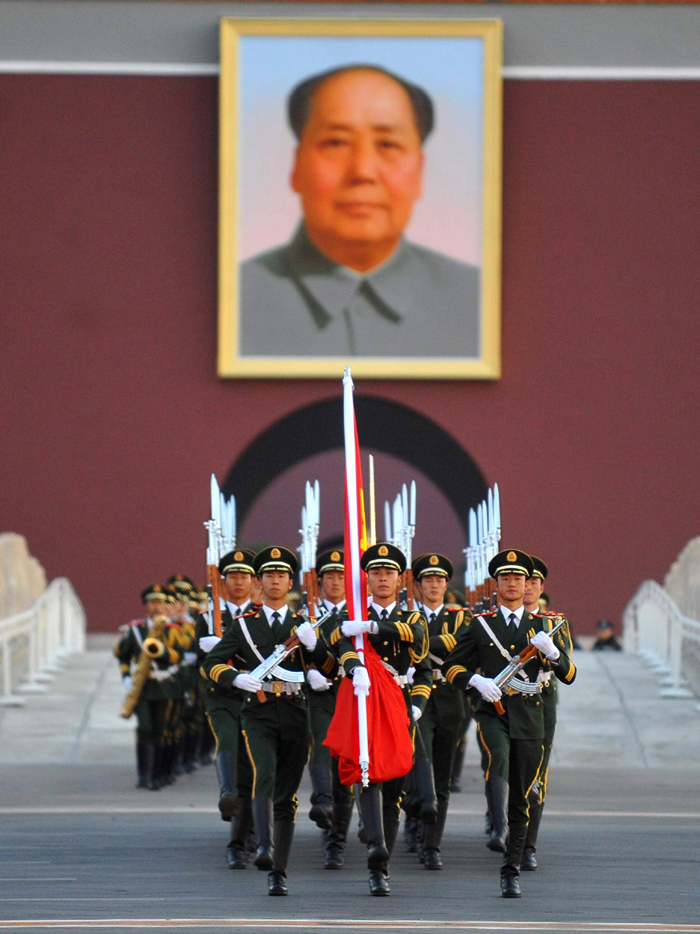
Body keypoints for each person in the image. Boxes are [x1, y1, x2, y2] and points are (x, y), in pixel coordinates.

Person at [239, 64, 480, 359]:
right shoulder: (234, 300)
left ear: (419, 172)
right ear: (297, 166)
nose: (363, 171)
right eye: (336, 143)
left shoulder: (479, 302)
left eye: (388, 144)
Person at [201, 546, 338, 896]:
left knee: (287, 794)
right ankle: (263, 845)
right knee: (264, 773)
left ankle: (280, 870)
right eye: (268, 576)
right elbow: (212, 663)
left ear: (290, 582)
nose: (275, 581)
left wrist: (315, 648)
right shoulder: (245, 626)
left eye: (281, 576)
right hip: (258, 711)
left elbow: (332, 669)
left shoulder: (303, 626)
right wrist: (234, 679)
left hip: (295, 710)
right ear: (259, 583)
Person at [440, 549, 577, 898]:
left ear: (528, 584)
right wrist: (475, 681)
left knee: (523, 793)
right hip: (493, 713)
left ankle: (511, 868)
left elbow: (570, 675)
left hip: (532, 717)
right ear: (497, 584)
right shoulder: (480, 623)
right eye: (506, 578)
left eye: (519, 578)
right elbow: (452, 667)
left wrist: (554, 653)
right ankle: (498, 827)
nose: (513, 583)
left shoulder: (546, 626)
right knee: (497, 758)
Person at [330, 542, 430, 896]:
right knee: (367, 773)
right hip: (364, 701)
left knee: (393, 786)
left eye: (389, 573)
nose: (383, 578)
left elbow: (415, 639)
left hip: (398, 704)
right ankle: (376, 853)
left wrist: (370, 627)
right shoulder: (348, 617)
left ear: (400, 579)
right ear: (367, 579)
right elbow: (338, 644)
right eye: (376, 573)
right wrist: (354, 666)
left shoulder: (412, 616)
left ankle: (382, 853)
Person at [195, 548, 258, 869]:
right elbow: (199, 664)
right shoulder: (208, 617)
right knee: (227, 742)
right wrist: (208, 649)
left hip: (254, 697)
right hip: (222, 696)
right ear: (223, 581)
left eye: (244, 576)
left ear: (252, 581)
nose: (238, 582)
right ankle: (227, 792)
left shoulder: (260, 615)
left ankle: (243, 837)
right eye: (232, 576)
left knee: (251, 769)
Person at [411, 553, 471, 870]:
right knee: (422, 765)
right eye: (428, 580)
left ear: (447, 585)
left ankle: (432, 845)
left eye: (439, 580)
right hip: (418, 699)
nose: (434, 585)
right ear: (418, 586)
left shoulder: (460, 617)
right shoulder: (405, 615)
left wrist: (413, 639)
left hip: (449, 698)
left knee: (443, 777)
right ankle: (417, 823)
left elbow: (459, 643)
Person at [521, 555, 575, 871]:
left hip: (541, 700)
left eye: (533, 582)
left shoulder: (554, 623)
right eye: (521, 581)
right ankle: (507, 827)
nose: (526, 587)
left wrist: (553, 654)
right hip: (505, 700)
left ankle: (528, 845)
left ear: (541, 587)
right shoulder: (495, 620)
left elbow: (567, 669)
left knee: (537, 775)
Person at [116, 584, 181, 790]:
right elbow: (122, 654)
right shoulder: (136, 630)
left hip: (165, 686)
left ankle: (158, 775)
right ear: (146, 606)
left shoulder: (173, 630)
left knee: (161, 730)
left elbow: (177, 655)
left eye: (160, 602)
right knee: (145, 728)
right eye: (152, 602)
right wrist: (126, 676)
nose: (156, 607)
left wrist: (161, 652)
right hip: (143, 687)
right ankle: (143, 774)